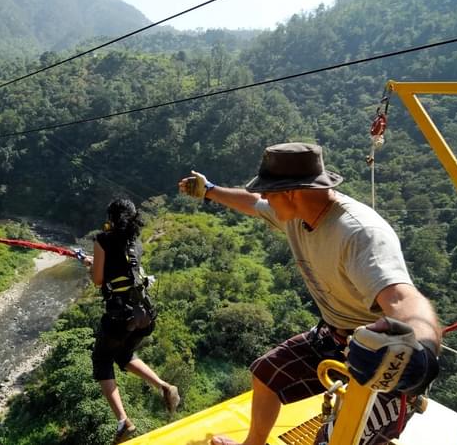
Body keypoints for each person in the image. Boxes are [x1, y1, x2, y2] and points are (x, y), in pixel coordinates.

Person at [178, 142, 441, 445]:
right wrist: (210, 189)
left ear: (290, 192)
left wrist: (418, 356)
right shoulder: (296, 213)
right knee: (267, 374)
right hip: (334, 335)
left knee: (336, 439)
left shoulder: (359, 233)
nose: (263, 197)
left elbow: (404, 300)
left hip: (379, 359)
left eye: (268, 191)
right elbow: (251, 204)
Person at [83, 198, 181, 444]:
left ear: (111, 218)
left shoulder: (102, 240)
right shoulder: (135, 243)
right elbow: (125, 271)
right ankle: (163, 386)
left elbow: (97, 280)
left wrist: (91, 265)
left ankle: (123, 422)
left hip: (120, 317)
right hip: (145, 315)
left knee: (102, 359)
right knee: (123, 355)